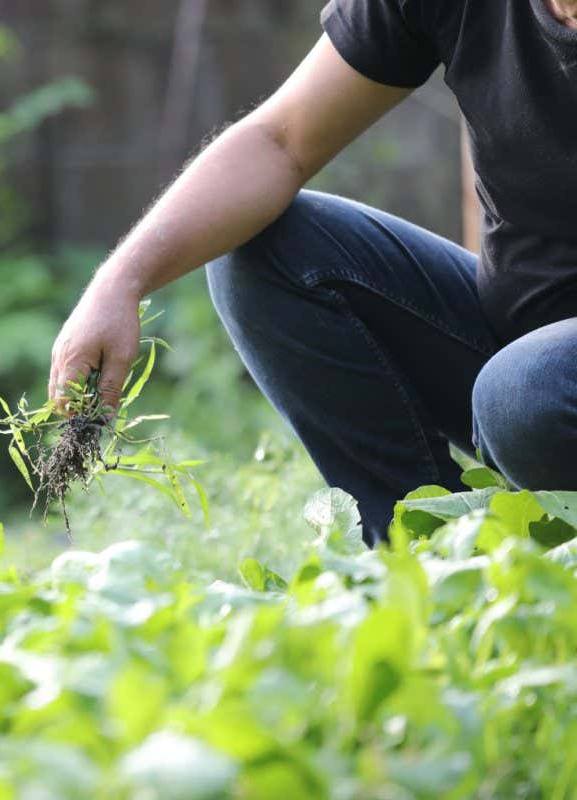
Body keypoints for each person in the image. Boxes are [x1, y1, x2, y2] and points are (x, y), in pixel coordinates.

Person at [48, 0, 577, 544]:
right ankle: (425, 561)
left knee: (523, 391)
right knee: (267, 246)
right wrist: (121, 281)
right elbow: (280, 139)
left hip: (538, 384)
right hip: (520, 347)